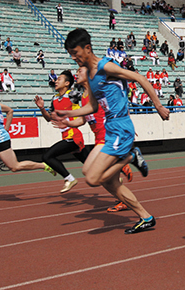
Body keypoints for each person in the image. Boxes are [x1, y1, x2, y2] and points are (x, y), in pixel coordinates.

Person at [56, 28, 170, 234]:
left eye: (75, 52)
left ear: (87, 48)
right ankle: (146, 217)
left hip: (121, 127)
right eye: (70, 54)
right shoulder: (90, 77)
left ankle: (130, 157)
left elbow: (139, 78)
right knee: (99, 177)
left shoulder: (105, 66)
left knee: (93, 179)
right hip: (110, 129)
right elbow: (92, 107)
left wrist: (158, 106)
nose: (73, 58)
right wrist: (65, 113)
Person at [55, 67, 135, 212]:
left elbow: (117, 106)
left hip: (107, 136)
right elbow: (82, 121)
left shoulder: (97, 91)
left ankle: (126, 160)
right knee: (102, 177)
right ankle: (123, 198)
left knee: (93, 173)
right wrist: (68, 123)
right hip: (98, 138)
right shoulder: (85, 96)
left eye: (80, 71)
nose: (76, 73)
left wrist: (125, 125)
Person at [33, 70, 88, 193]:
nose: (56, 81)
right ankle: (112, 178)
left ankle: (69, 179)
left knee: (47, 156)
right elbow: (49, 119)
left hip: (74, 137)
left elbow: (88, 99)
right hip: (66, 137)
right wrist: (42, 108)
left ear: (67, 83)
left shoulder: (72, 94)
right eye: (56, 79)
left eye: (59, 79)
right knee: (91, 167)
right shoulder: (54, 99)